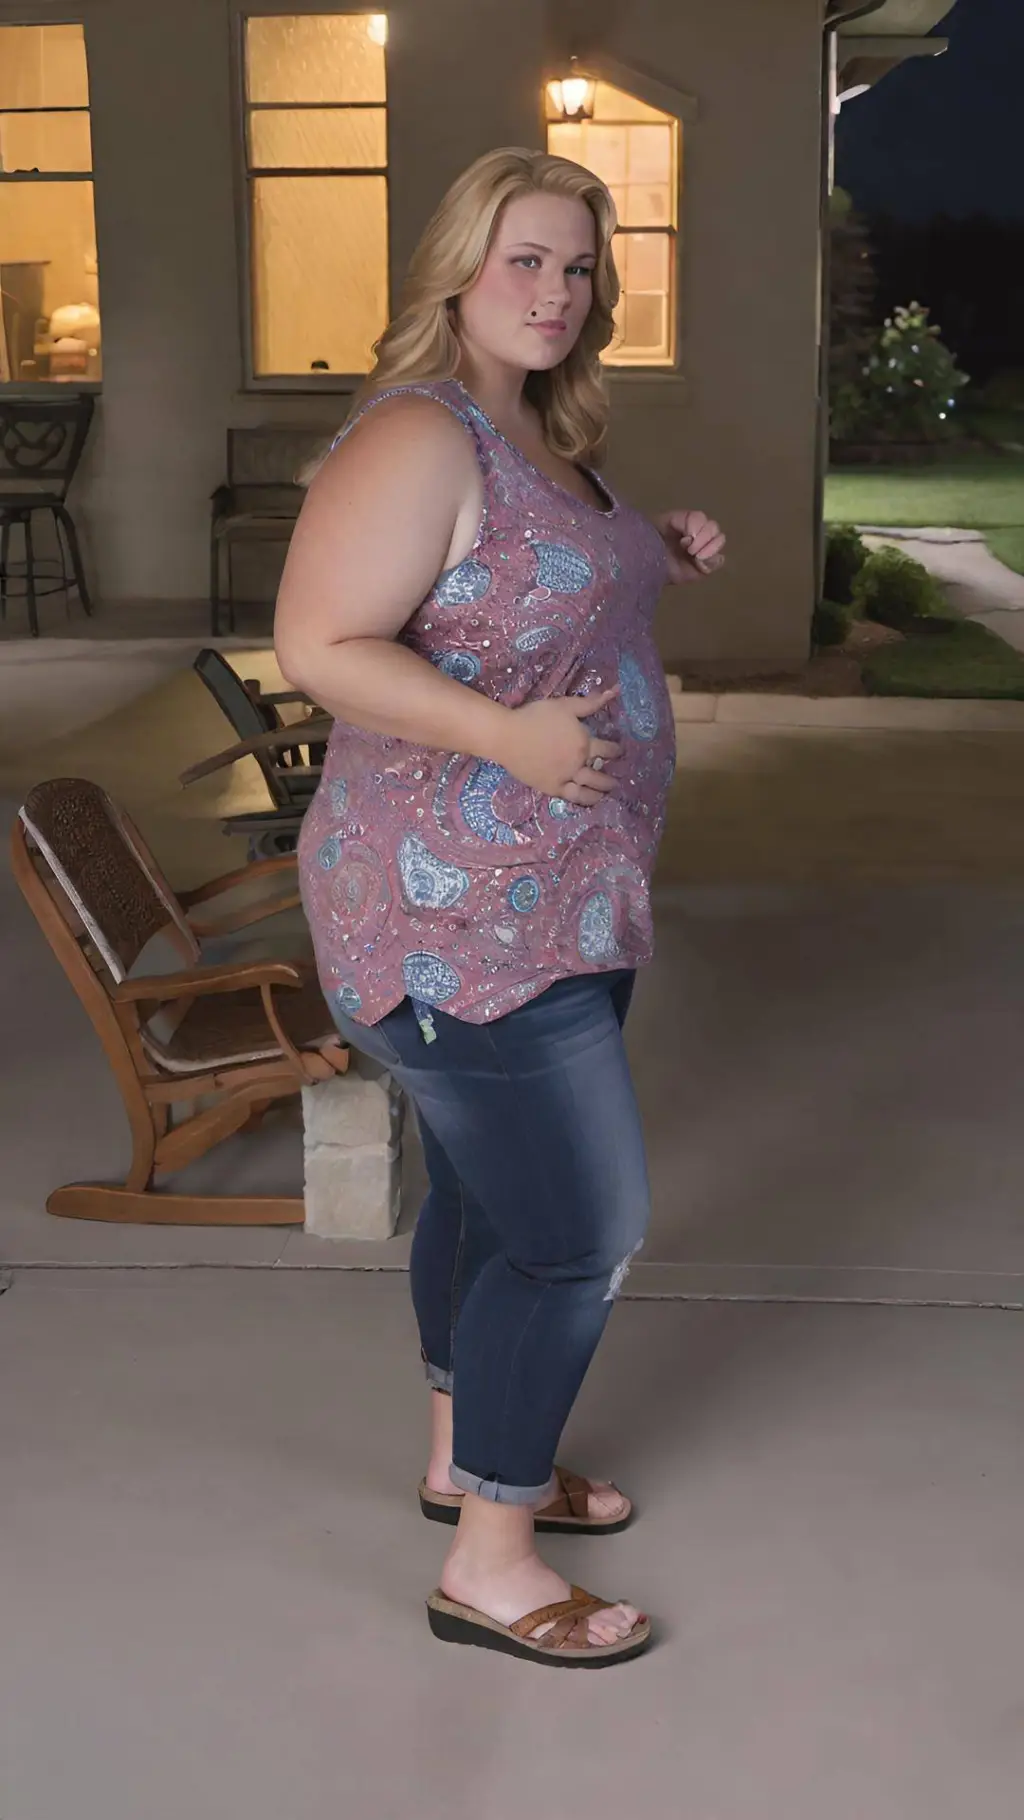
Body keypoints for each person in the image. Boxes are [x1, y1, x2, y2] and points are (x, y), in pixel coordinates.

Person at [275, 146, 725, 1669]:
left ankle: (464, 1460)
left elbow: (515, 591)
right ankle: (491, 1560)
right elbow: (320, 642)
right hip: (454, 921)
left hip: (565, 902)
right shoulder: (420, 429)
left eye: (579, 265)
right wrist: (506, 739)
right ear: (461, 266)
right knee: (579, 1230)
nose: (557, 289)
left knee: (483, 1194)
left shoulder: (537, 430)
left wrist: (647, 552)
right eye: (526, 258)